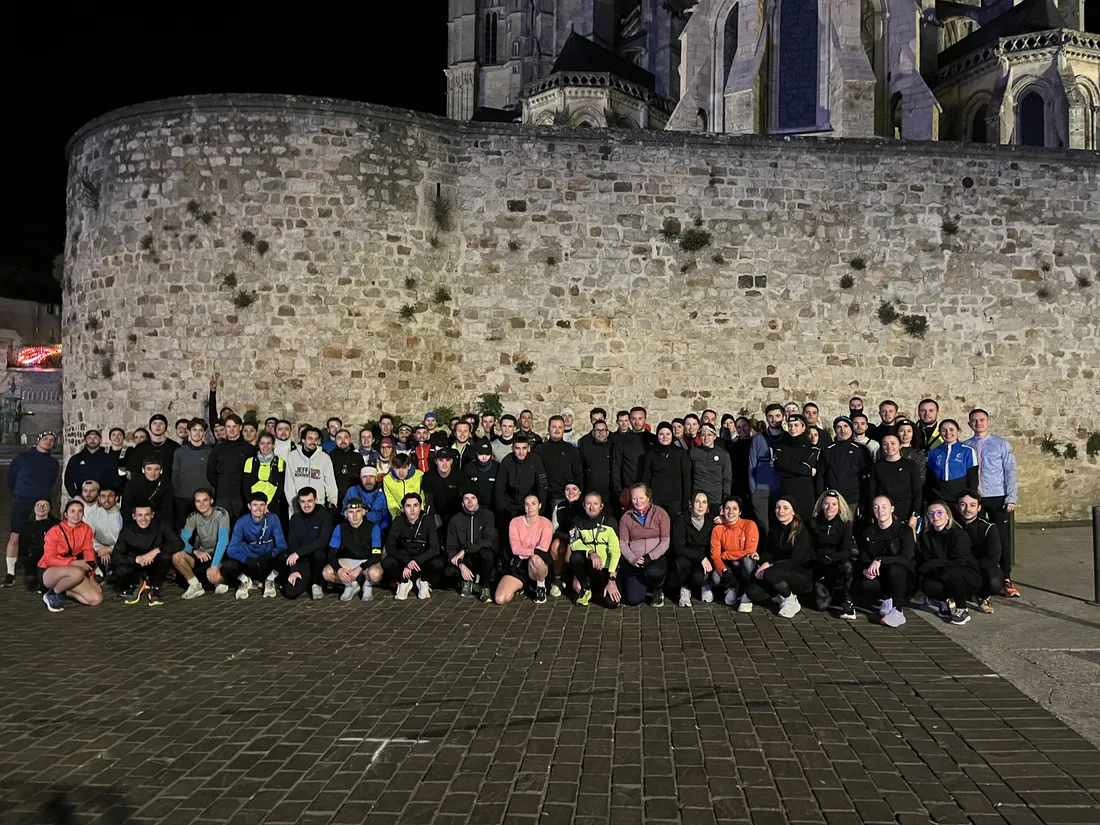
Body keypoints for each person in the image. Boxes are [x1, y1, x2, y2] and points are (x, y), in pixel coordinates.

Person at [963, 409, 1019, 598]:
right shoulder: (966, 446)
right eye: (974, 420)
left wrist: (1011, 497)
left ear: (988, 422)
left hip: (997, 496)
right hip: (975, 498)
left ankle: (1006, 577)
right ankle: (977, 574)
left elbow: (1010, 470)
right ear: (969, 424)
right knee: (974, 536)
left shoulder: (1001, 444)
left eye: (981, 420)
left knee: (1002, 538)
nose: (978, 423)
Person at [5, 430, 59, 587]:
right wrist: (22, 492)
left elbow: (51, 481)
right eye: (45, 438)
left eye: (52, 440)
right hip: (23, 501)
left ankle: (39, 566)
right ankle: (10, 573)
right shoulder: (22, 458)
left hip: (43, 501)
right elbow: (11, 479)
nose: (48, 441)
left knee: (44, 535)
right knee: (15, 535)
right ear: (39, 440)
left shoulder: (53, 463)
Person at [746, 497, 813, 618]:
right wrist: (761, 559)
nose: (780, 511)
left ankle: (791, 601)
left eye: (785, 508)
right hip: (777, 571)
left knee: (770, 573)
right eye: (778, 507)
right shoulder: (775, 528)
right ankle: (780, 593)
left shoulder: (801, 531)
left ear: (793, 511)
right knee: (753, 592)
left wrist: (770, 565)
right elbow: (769, 552)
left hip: (799, 573)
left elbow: (795, 560)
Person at [857, 495, 917, 627]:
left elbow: (906, 557)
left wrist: (880, 560)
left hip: (904, 577)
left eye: (884, 507)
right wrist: (866, 570)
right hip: (883, 577)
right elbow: (863, 558)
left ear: (892, 509)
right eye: (876, 507)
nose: (880, 510)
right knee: (865, 581)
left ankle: (898, 611)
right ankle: (886, 599)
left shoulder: (904, 530)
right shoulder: (869, 532)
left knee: (895, 568)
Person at [918, 500, 981, 625]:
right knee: (927, 584)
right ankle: (943, 602)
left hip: (965, 576)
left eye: (939, 512)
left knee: (952, 572)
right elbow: (924, 562)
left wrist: (934, 563)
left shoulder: (959, 534)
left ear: (948, 515)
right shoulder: (926, 537)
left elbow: (959, 561)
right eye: (931, 513)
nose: (935, 516)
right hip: (941, 574)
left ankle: (962, 609)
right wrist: (933, 566)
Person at [38, 500, 103, 612]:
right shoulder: (55, 531)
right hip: (48, 570)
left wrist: (91, 577)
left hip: (72, 571)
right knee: (78, 572)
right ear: (66, 514)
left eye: (80, 511)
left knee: (96, 599)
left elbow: (89, 554)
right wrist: (73, 562)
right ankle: (53, 593)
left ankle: (66, 590)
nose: (76, 515)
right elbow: (49, 559)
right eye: (72, 511)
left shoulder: (86, 529)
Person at [221, 492, 287, 600]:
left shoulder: (273, 518)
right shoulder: (241, 522)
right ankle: (245, 581)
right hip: (249, 563)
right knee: (228, 564)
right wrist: (246, 559)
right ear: (249, 506)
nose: (258, 508)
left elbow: (282, 544)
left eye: (262, 505)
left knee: (286, 556)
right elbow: (231, 549)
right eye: (255, 505)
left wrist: (269, 554)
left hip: (266, 561)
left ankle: (270, 579)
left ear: (266, 506)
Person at [114, 502, 181, 606]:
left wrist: (156, 551)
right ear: (134, 516)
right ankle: (136, 583)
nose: (143, 519)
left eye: (147, 515)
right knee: (119, 569)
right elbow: (115, 556)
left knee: (166, 556)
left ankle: (155, 588)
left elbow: (178, 543)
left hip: (155, 565)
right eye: (140, 515)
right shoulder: (127, 531)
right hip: (136, 566)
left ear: (152, 515)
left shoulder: (160, 525)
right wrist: (136, 559)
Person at [384, 492, 445, 600]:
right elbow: (390, 546)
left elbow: (435, 548)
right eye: (408, 506)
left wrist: (415, 561)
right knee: (388, 562)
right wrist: (407, 561)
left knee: (438, 562)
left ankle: (423, 581)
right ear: (403, 508)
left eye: (415, 505)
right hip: (405, 558)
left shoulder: (428, 521)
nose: (412, 510)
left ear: (420, 507)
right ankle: (404, 582)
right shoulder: (398, 521)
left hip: (423, 559)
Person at [617, 484, 671, 607]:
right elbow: (623, 543)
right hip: (636, 561)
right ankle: (644, 588)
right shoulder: (626, 517)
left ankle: (657, 589)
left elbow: (665, 540)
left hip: (656, 559)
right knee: (633, 600)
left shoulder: (661, 513)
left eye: (641, 498)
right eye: (634, 498)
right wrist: (633, 559)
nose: (638, 502)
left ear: (648, 497)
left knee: (654, 572)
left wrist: (650, 557)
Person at [322, 499, 385, 602]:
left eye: (358, 511)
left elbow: (376, 555)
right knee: (327, 572)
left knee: (376, 574)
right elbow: (331, 554)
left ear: (364, 512)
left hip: (367, 562)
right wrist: (339, 569)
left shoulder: (373, 528)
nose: (354, 515)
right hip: (347, 562)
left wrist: (360, 568)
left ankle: (367, 585)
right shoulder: (340, 528)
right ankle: (350, 585)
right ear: (346, 514)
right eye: (351, 512)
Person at [174, 488, 232, 599]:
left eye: (205, 500)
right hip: (202, 554)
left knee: (217, 580)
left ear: (211, 501)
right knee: (177, 556)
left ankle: (216, 578)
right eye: (198, 501)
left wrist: (214, 566)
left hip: (219, 555)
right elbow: (182, 540)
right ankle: (195, 585)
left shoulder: (221, 514)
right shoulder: (193, 517)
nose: (202, 504)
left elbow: (223, 541)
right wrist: (194, 551)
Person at [567, 492, 622, 608]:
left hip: (606, 570)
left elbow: (615, 551)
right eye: (588, 504)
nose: (591, 507)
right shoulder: (577, 521)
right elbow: (574, 543)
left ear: (601, 506)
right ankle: (585, 588)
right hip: (589, 566)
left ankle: (598, 591)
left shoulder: (610, 521)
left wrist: (612, 579)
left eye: (595, 504)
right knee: (575, 557)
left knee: (612, 603)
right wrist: (591, 552)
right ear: (584, 505)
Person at [497, 494, 554, 604]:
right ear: (524, 507)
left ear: (539, 506)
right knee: (500, 599)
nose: (530, 507)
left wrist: (525, 552)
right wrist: (532, 551)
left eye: (533, 503)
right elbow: (515, 549)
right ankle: (522, 586)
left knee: (536, 559)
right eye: (527, 504)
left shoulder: (546, 523)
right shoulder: (515, 522)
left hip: (537, 568)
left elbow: (542, 548)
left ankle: (540, 587)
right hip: (519, 566)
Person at [808, 491, 856, 619]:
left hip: (837, 562)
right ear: (821, 505)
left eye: (834, 504)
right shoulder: (813, 523)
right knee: (821, 606)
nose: (830, 507)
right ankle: (831, 592)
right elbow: (810, 547)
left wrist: (832, 558)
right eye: (826, 504)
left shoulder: (845, 524)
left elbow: (847, 551)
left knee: (848, 566)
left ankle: (848, 601)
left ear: (839, 506)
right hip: (819, 564)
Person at [708, 495, 761, 611]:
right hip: (730, 566)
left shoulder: (749, 525)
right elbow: (715, 556)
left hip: (744, 566)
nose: (731, 512)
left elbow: (750, 551)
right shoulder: (718, 529)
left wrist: (726, 554)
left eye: (735, 508)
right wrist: (724, 571)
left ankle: (747, 595)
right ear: (723, 511)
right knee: (716, 577)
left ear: (740, 512)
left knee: (748, 559)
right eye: (727, 508)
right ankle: (732, 587)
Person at [281, 487, 334, 601]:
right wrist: (294, 570)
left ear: (315, 500)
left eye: (309, 501)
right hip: (303, 561)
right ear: (299, 502)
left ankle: (317, 583)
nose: (306, 505)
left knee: (319, 553)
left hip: (319, 560)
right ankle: (307, 580)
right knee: (290, 592)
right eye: (303, 501)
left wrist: (298, 553)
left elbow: (322, 541)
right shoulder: (295, 519)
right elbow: (292, 545)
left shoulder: (324, 515)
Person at [956, 490, 1005, 613]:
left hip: (979, 568)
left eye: (972, 505)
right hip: (957, 567)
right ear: (957, 507)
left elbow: (993, 559)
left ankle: (981, 596)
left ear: (979, 508)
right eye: (963, 505)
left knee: (995, 582)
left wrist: (971, 566)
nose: (967, 509)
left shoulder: (989, 527)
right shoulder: (952, 526)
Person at [446, 487, 498, 601]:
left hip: (482, 556)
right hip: (465, 559)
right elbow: (450, 547)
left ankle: (485, 587)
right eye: (466, 498)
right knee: (449, 571)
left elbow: (489, 541)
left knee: (487, 553)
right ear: (462, 502)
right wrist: (461, 565)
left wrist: (466, 549)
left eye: (473, 498)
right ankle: (467, 581)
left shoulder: (488, 515)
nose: (469, 502)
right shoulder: (455, 519)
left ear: (478, 500)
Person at [534, 416, 583, 528]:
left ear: (564, 429)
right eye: (554, 427)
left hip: (564, 497)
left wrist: (577, 496)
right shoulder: (539, 450)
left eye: (560, 427)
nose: (557, 430)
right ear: (548, 428)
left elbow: (578, 475)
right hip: (543, 497)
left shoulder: (572, 450)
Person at [670, 491, 715, 607]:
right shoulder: (681, 519)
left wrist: (723, 519)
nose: (700, 505)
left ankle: (705, 584)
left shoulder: (712, 520)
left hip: (704, 559)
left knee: (699, 577)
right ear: (691, 504)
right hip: (686, 556)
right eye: (697, 501)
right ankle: (685, 588)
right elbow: (678, 547)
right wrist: (701, 557)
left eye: (704, 502)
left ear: (708, 506)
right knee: (680, 562)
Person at [772, 415, 820, 521]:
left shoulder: (812, 448)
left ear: (803, 427)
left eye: (796, 425)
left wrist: (780, 463)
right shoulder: (781, 447)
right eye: (790, 425)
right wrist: (806, 471)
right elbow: (779, 472)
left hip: (804, 495)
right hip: (786, 493)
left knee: (805, 526)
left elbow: (804, 468)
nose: (792, 428)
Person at [820, 416, 871, 517]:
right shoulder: (827, 450)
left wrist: (864, 501)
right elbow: (821, 476)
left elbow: (867, 477)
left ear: (851, 428)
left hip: (853, 499)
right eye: (838, 427)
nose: (842, 430)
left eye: (845, 426)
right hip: (833, 500)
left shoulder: (860, 450)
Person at [870, 435, 923, 532]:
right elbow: (872, 492)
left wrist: (915, 514)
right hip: (884, 512)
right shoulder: (877, 466)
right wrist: (872, 513)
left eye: (893, 443)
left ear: (900, 445)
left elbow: (917, 492)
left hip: (905, 511)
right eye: (885, 444)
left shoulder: (911, 465)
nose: (889, 447)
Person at [207, 414, 254, 520]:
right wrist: (222, 484)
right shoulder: (217, 450)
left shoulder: (250, 450)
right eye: (228, 427)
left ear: (240, 427)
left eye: (234, 426)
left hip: (242, 497)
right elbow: (211, 472)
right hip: (222, 496)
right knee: (222, 526)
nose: (231, 430)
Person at [640, 422, 692, 519]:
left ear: (672, 435)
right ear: (657, 435)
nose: (665, 437)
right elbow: (646, 478)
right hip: (656, 499)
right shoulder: (650, 454)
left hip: (675, 500)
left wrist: (686, 500)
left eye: (668, 434)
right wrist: (645, 497)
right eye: (661, 434)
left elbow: (686, 478)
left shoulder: (680, 453)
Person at [748, 405, 785, 537]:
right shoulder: (758, 439)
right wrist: (753, 490)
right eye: (770, 416)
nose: (774, 419)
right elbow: (751, 465)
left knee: (779, 526)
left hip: (781, 489)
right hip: (760, 490)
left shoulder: (787, 438)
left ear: (783, 417)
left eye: (777, 416)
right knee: (763, 527)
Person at [285, 426, 339, 513]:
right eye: (310, 439)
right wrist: (294, 506)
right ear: (303, 440)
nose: (313, 442)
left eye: (316, 439)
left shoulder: (324, 458)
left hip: (318, 506)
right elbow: (289, 485)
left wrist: (332, 501)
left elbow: (330, 483)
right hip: (298, 508)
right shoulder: (292, 456)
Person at [171, 418, 213, 531]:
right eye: (194, 430)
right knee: (182, 530)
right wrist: (174, 495)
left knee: (204, 530)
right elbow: (175, 476)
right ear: (189, 431)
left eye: (200, 430)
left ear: (204, 432)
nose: (197, 433)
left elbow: (213, 475)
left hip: (204, 499)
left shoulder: (210, 452)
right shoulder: (179, 452)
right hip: (183, 498)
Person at [926, 420, 978, 507]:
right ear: (939, 433)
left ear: (958, 431)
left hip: (959, 499)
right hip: (939, 499)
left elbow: (973, 478)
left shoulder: (968, 451)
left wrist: (971, 498)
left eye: (951, 430)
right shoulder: (933, 453)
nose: (948, 433)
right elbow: (930, 479)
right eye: (943, 430)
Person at [124, 456, 176, 528]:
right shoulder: (133, 484)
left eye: (156, 469)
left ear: (161, 470)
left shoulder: (166, 483)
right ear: (143, 470)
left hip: (157, 522)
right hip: (136, 521)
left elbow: (167, 510)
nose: (152, 473)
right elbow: (126, 508)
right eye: (149, 469)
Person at [18, 499, 58, 591]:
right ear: (34, 507)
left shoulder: (57, 524)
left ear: (50, 508)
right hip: (34, 557)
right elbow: (23, 546)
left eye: (45, 505)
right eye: (38, 505)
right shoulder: (26, 526)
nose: (41, 508)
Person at [64, 429, 116, 498]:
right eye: (89, 438)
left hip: (103, 498)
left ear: (100, 440)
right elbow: (68, 479)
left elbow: (115, 479)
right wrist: (75, 495)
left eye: (95, 438)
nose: (92, 440)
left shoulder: (109, 458)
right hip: (82, 497)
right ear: (85, 441)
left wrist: (109, 495)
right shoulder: (76, 459)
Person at [243, 432, 287, 508]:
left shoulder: (280, 462)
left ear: (273, 445)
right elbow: (245, 486)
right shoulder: (250, 461)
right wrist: (253, 503)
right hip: (254, 505)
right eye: (262, 443)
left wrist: (271, 505)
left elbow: (281, 487)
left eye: (268, 443)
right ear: (258, 444)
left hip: (272, 505)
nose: (265, 446)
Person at [383, 454, 424, 519]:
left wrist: (420, 514)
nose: (401, 472)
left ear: (409, 466)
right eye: (397, 468)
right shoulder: (387, 480)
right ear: (393, 467)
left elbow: (423, 497)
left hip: (419, 515)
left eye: (404, 467)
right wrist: (399, 517)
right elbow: (391, 502)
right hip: (400, 516)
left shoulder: (420, 476)